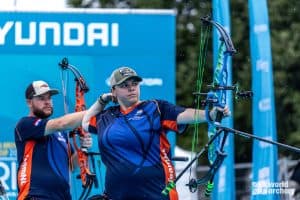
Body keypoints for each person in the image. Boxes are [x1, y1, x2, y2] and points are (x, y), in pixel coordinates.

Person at [82, 67, 230, 200]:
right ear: (113, 91)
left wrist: (209, 114)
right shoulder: (107, 116)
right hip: (117, 195)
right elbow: (85, 122)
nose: (131, 88)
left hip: (156, 192)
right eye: (125, 86)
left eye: (134, 84)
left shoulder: (155, 108)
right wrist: (102, 100)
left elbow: (185, 114)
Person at [14, 80, 92, 200]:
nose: (47, 102)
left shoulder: (60, 134)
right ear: (29, 102)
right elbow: (61, 123)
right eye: (41, 98)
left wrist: (82, 148)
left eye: (49, 98)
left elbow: (70, 165)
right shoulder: (25, 124)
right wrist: (95, 110)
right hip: (35, 196)